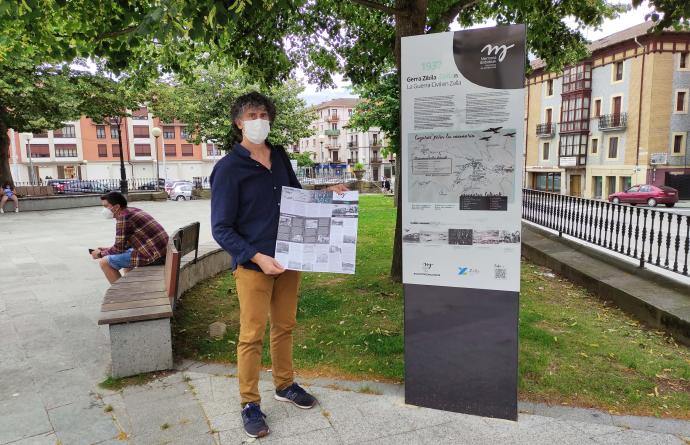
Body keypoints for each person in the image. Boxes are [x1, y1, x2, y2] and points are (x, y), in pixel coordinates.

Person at [211, 92, 348, 438]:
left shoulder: (281, 155)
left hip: (291, 257)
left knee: (285, 326)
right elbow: (221, 229)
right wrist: (256, 256)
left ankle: (285, 384)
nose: (259, 120)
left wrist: (330, 194)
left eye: (264, 114)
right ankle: (249, 403)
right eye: (252, 115)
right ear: (239, 122)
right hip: (254, 265)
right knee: (251, 335)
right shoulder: (227, 169)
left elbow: (297, 198)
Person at [91, 191, 168, 283]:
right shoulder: (132, 210)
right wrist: (106, 250)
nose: (104, 210)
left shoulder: (123, 218)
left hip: (154, 257)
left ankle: (121, 293)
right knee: (124, 254)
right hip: (162, 252)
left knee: (104, 262)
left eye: (106, 206)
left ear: (116, 207)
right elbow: (123, 246)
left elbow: (118, 249)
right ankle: (129, 285)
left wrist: (100, 254)